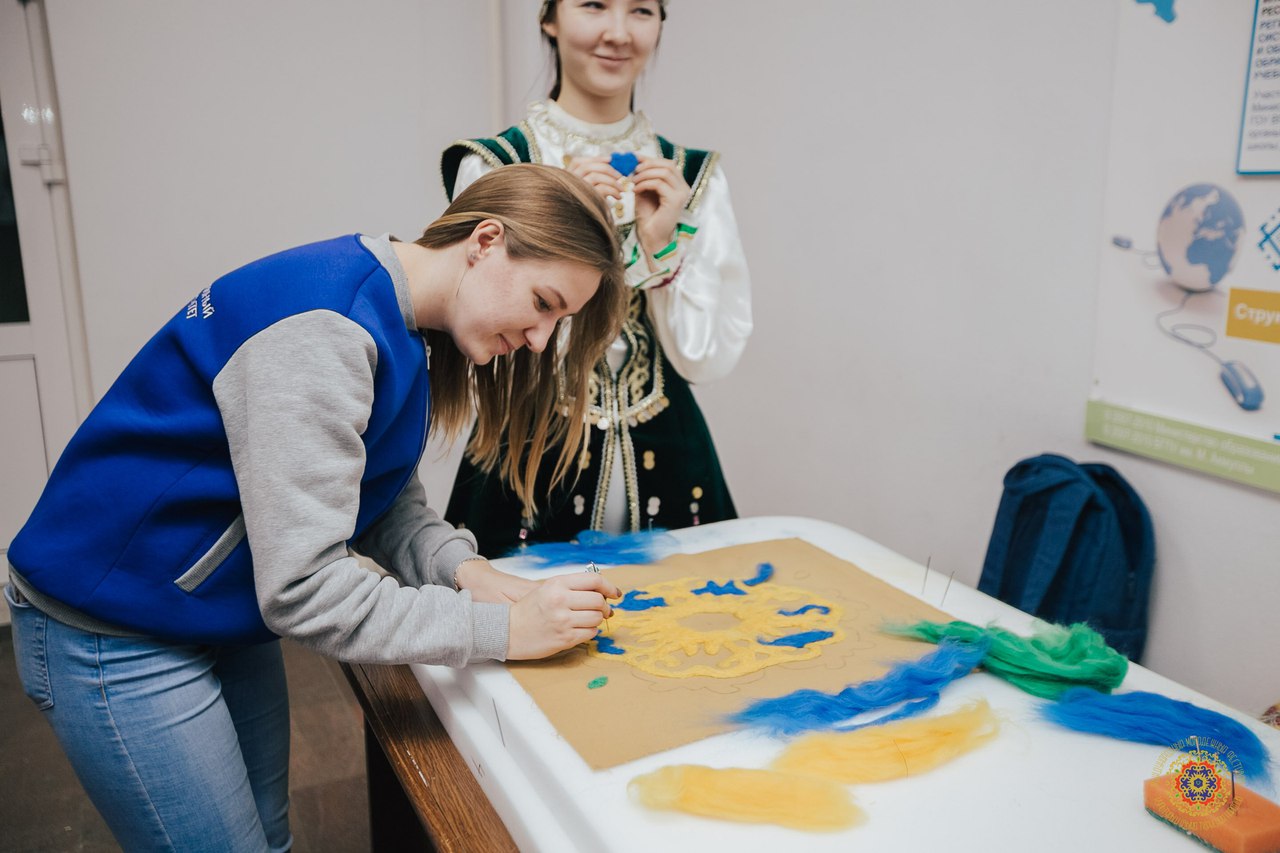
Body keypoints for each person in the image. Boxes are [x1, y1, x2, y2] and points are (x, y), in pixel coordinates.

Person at [3, 163, 626, 853]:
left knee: (268, 836)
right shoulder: (325, 331)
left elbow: (377, 495)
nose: (540, 340)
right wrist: (503, 631)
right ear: (485, 241)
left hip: (204, 602)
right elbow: (305, 589)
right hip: (110, 624)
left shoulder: (402, 317)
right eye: (543, 303)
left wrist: (465, 571)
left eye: (559, 321)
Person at [442, 0, 753, 554]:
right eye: (593, 5)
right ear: (549, 17)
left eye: (641, 10)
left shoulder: (690, 178)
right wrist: (565, 231)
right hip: (528, 457)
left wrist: (661, 250)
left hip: (671, 454)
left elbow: (705, 357)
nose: (618, 32)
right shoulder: (498, 165)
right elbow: (475, 336)